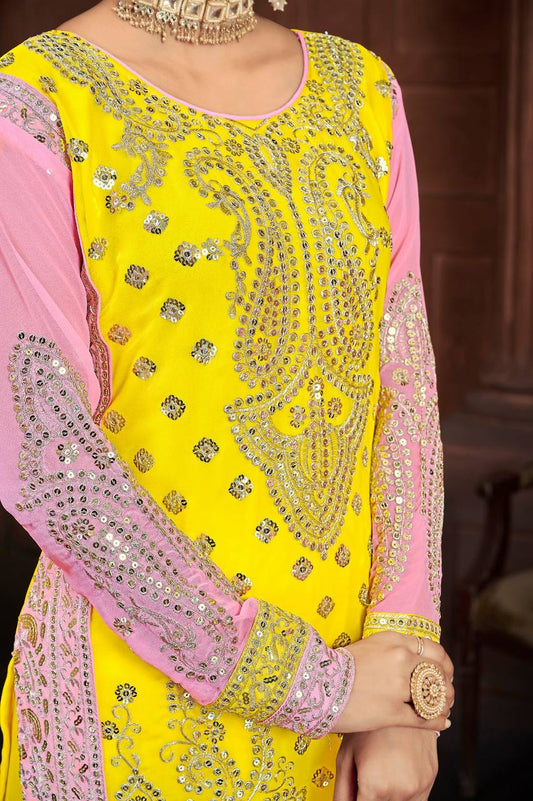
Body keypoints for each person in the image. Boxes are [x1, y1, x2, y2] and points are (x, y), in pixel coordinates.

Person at [0, 1, 455, 799]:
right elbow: (46, 457)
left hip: (365, 687)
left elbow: (405, 389)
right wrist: (313, 685)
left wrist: (405, 693)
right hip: (136, 701)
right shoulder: (37, 101)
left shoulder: (362, 89)